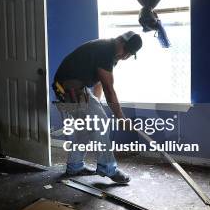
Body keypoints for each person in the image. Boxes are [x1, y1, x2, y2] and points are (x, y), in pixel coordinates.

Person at [53, 31, 143, 184]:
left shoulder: (111, 53)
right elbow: (109, 89)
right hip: (70, 89)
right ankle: (108, 168)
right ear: (120, 41)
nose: (125, 57)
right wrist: (121, 118)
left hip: (72, 88)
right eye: (126, 52)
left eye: (130, 54)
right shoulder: (105, 51)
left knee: (84, 128)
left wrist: (95, 104)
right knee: (100, 123)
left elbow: (100, 83)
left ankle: (75, 166)